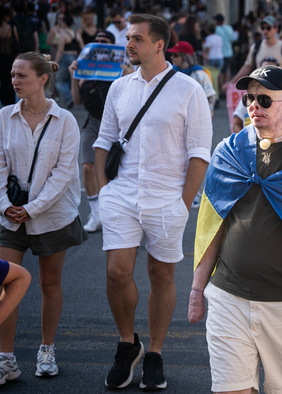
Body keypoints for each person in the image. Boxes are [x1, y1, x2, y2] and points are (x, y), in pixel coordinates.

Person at [188, 64, 282, 394]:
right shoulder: (228, 151)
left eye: (265, 99)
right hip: (229, 294)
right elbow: (213, 222)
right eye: (249, 99)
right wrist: (197, 290)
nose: (254, 105)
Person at [93, 14, 212, 390]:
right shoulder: (120, 88)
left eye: (137, 39)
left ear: (159, 44)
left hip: (166, 198)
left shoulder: (189, 89)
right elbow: (103, 142)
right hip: (122, 195)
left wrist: (183, 202)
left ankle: (156, 353)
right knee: (117, 272)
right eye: (129, 38)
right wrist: (104, 192)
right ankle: (128, 344)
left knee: (161, 274)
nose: (129, 44)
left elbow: (199, 153)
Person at [0, 52, 88, 381]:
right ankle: (5, 358)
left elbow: (64, 174)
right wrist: (5, 204)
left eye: (21, 75)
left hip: (52, 216)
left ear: (42, 79)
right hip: (9, 215)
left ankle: (47, 349)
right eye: (12, 75)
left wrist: (32, 208)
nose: (14, 81)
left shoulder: (64, 121)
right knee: (6, 284)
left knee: (49, 283)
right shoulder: (4, 117)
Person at [68, 30, 132, 233]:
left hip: (119, 124)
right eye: (96, 41)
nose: (99, 44)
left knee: (118, 170)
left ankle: (121, 212)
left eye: (104, 41)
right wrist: (74, 77)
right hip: (94, 121)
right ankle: (95, 212)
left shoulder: (123, 69)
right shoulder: (87, 70)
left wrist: (129, 76)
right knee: (87, 166)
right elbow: (77, 101)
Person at [224, 16, 282, 90]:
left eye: (268, 28)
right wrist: (232, 82)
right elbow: (247, 67)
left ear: (276, 29)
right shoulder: (256, 47)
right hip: (260, 91)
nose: (265, 30)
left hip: (279, 91)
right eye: (263, 28)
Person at [167, 40, 216, 116]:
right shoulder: (170, 73)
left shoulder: (200, 74)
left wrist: (210, 109)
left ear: (185, 56)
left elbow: (211, 94)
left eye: (175, 55)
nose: (172, 57)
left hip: (195, 114)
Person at [54, 12, 83, 108]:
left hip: (65, 57)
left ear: (64, 23)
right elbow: (82, 48)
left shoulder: (63, 34)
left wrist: (55, 63)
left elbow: (60, 50)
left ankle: (69, 98)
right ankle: (73, 99)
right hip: (75, 57)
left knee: (59, 80)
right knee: (71, 80)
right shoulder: (77, 33)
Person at [0, 6, 18, 106]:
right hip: (9, 58)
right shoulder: (11, 28)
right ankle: (8, 102)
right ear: (6, 16)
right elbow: (17, 42)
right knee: (8, 80)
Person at [213, 14, 234, 90]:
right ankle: (226, 88)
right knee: (226, 71)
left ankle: (221, 89)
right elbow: (232, 40)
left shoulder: (216, 29)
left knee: (220, 72)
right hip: (229, 52)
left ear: (217, 21)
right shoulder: (229, 28)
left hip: (220, 53)